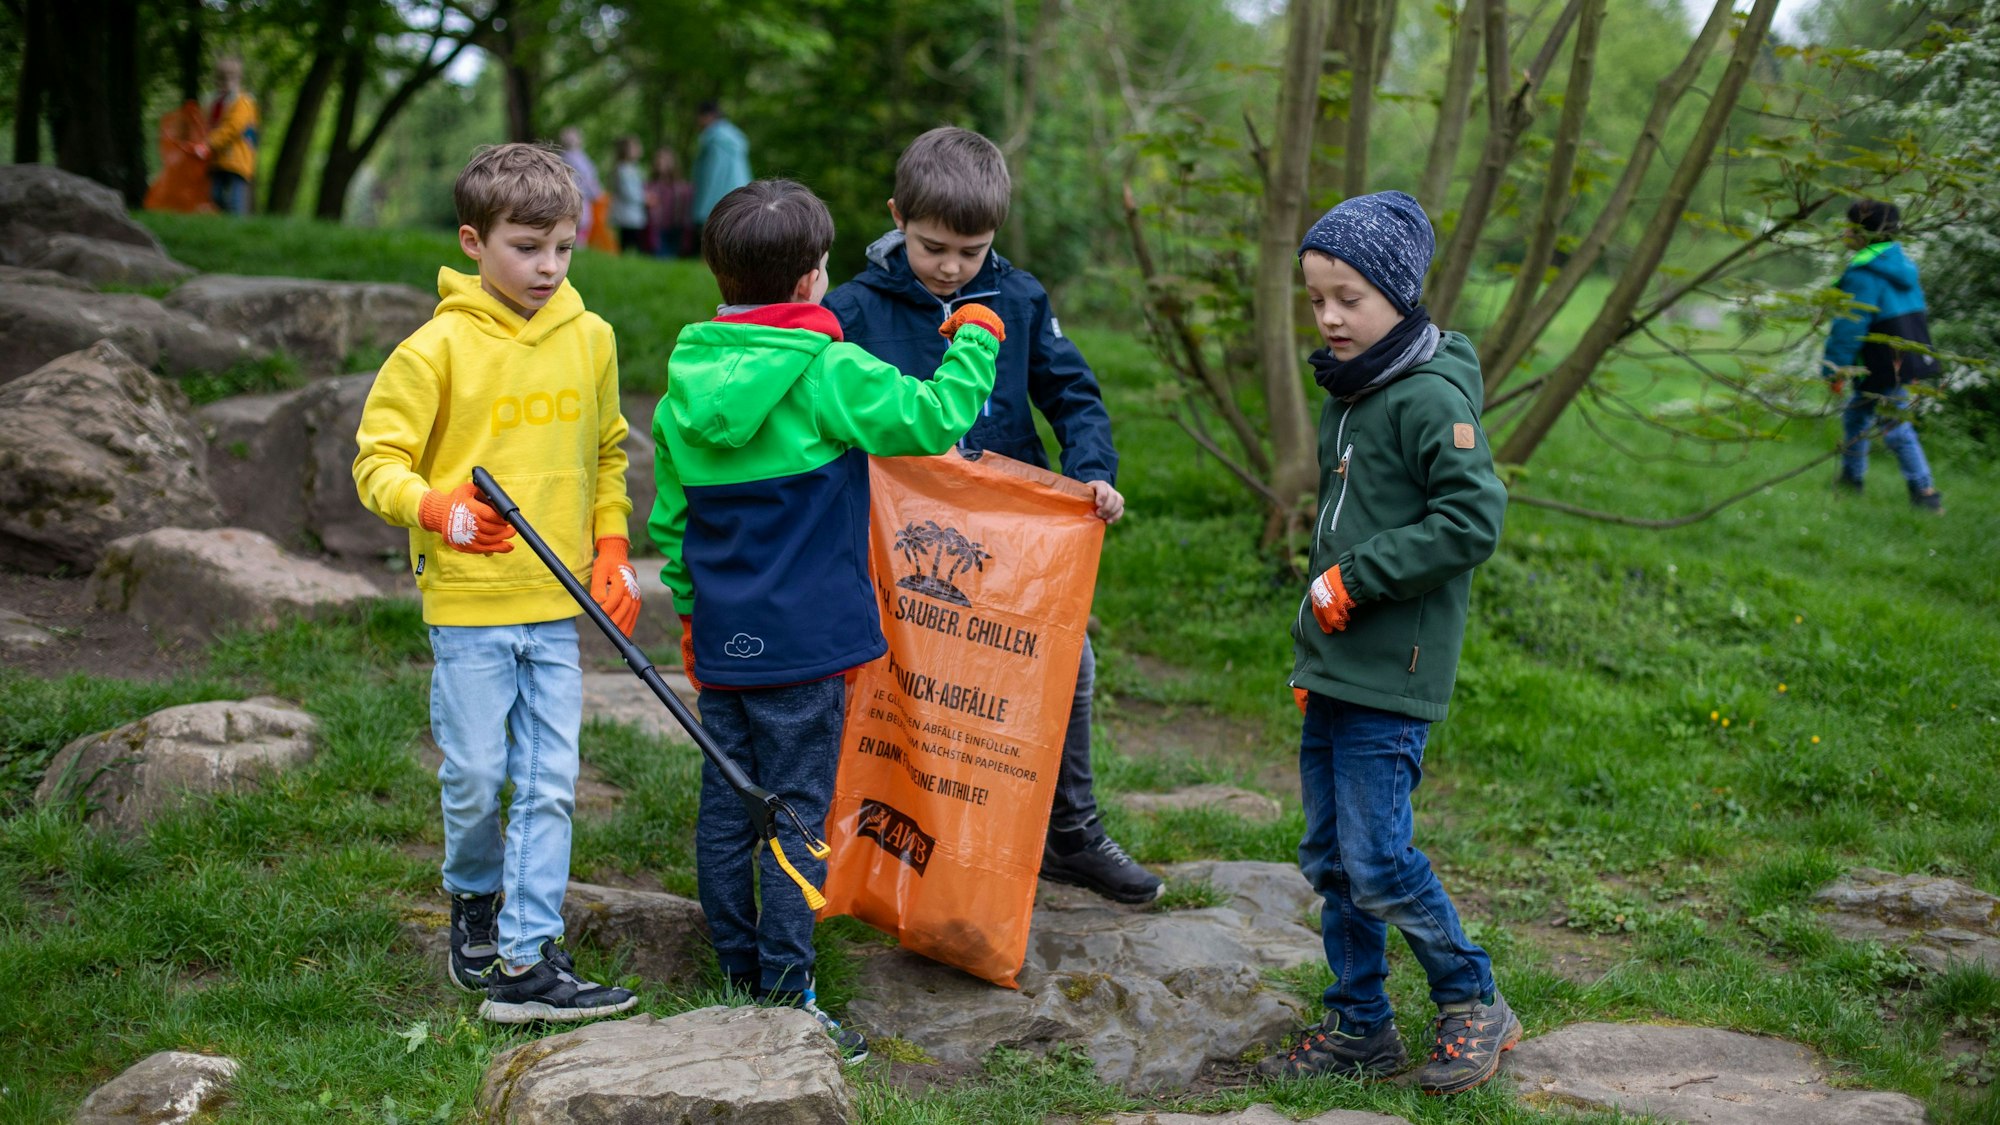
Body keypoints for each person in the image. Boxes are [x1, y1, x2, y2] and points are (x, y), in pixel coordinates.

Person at [650, 178, 1001, 1064]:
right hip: (808, 647)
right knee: (799, 812)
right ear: (813, 281)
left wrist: (693, 621)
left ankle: (735, 968)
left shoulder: (684, 384)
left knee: (729, 809)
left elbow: (671, 526)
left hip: (722, 641)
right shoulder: (827, 372)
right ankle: (787, 991)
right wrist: (976, 344)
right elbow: (932, 419)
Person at [822, 126, 1162, 906]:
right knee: (889, 680)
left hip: (1011, 534)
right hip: (899, 543)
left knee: (1070, 667)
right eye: (933, 246)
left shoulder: (1020, 296)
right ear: (896, 216)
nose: (950, 267)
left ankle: (1069, 833)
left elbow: (1074, 394)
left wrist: (1092, 473)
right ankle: (875, 831)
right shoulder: (851, 311)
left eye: (970, 252)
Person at [353, 142, 642, 1025]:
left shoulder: (591, 338)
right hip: (470, 607)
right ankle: (473, 897)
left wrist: (611, 544)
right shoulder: (434, 347)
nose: (548, 266)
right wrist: (437, 509)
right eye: (527, 246)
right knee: (478, 774)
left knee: (551, 779)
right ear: (475, 242)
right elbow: (377, 462)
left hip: (558, 607)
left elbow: (608, 451)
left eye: (562, 246)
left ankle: (528, 955)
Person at [1252, 191, 1514, 1096]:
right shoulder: (1352, 393)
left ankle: (1472, 995)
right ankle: (1359, 1023)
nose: (1329, 316)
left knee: (1378, 858)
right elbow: (1332, 541)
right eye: (1317, 296)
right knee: (1330, 858)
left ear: (1398, 295)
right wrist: (1310, 661)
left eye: (1349, 297)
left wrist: (1360, 580)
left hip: (1392, 679)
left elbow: (1472, 518)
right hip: (1337, 672)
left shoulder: (1427, 396)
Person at [1824, 199, 1944, 513]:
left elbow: (1849, 327)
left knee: (1894, 428)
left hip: (1883, 361)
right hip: (1903, 357)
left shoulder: (1865, 273)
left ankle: (1925, 493)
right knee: (1857, 415)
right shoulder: (1899, 264)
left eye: (1851, 226)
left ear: (1864, 233)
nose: (1845, 231)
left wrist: (1835, 369)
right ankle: (1852, 480)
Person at [689, 100, 751, 251]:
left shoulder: (714, 140)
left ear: (708, 116)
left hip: (718, 197)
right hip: (740, 193)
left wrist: (702, 207)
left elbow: (712, 175)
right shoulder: (734, 137)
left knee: (716, 236)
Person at [200, 57, 259, 215]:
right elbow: (206, 126)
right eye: (221, 77)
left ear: (239, 78)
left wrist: (209, 143)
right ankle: (228, 221)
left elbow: (233, 128)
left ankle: (237, 223)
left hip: (237, 159)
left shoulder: (243, 102)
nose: (226, 81)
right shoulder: (214, 103)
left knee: (235, 198)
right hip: (217, 159)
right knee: (215, 195)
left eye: (231, 76)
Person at [645, 147, 693, 258]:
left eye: (664, 160)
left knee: (674, 254)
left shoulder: (680, 186)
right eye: (658, 159)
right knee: (660, 254)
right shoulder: (650, 185)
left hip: (676, 226)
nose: (660, 162)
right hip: (657, 227)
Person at [558, 127, 603, 247]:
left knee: (584, 221)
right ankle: (571, 244)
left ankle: (579, 244)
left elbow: (590, 175)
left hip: (583, 195)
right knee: (575, 219)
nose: (571, 140)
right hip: (573, 194)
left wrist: (595, 191)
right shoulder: (564, 157)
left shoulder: (582, 157)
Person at [609, 136, 648, 254]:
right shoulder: (622, 170)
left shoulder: (634, 169)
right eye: (634, 147)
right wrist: (644, 199)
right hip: (626, 213)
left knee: (633, 238)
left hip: (634, 212)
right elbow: (628, 192)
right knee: (627, 238)